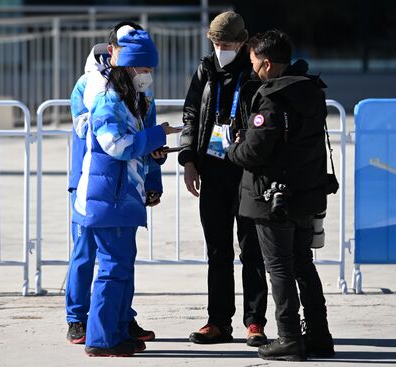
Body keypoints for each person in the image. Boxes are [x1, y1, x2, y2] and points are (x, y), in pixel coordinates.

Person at [226, 29, 335, 361]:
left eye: (254, 61)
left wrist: (232, 150)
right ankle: (318, 334)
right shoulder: (311, 91)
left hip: (274, 197)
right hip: (306, 192)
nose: (252, 68)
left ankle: (288, 337)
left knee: (280, 268)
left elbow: (256, 150)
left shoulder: (273, 97)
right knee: (303, 263)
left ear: (268, 63)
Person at [73, 27, 180, 357]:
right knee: (111, 270)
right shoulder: (108, 100)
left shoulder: (130, 100)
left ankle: (117, 331)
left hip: (119, 197)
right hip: (107, 198)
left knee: (120, 269)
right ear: (129, 66)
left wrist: (152, 151)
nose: (147, 75)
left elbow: (131, 148)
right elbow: (116, 146)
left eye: (150, 69)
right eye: (144, 68)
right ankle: (101, 338)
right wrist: (156, 136)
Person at [178, 11, 268, 346]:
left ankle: (255, 322)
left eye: (227, 44)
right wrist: (188, 160)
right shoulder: (205, 69)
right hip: (212, 169)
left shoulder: (256, 72)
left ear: (243, 43)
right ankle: (218, 321)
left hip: (247, 172)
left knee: (252, 250)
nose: (220, 49)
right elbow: (190, 114)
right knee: (218, 251)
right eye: (216, 43)